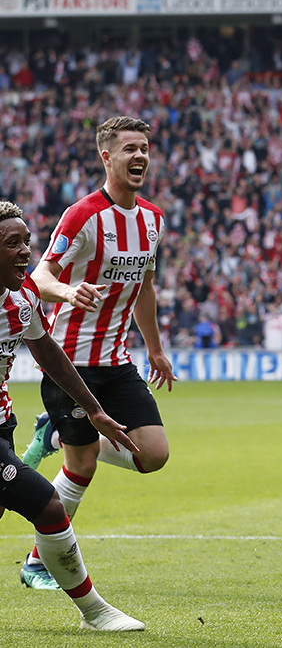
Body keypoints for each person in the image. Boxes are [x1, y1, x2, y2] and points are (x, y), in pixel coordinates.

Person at [18, 116, 177, 589]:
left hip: (117, 361)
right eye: (129, 148)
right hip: (70, 362)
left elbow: (144, 286)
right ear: (106, 157)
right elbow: (40, 277)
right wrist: (67, 293)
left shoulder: (152, 219)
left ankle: (54, 437)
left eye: (144, 148)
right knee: (82, 464)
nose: (140, 156)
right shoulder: (82, 215)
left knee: (154, 455)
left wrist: (155, 347)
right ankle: (38, 563)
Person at [0, 201, 144, 631]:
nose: (27, 251)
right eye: (13, 243)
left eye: (28, 241)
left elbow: (49, 353)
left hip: (3, 424)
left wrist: (96, 411)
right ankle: (95, 612)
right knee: (46, 504)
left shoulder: (22, 297)